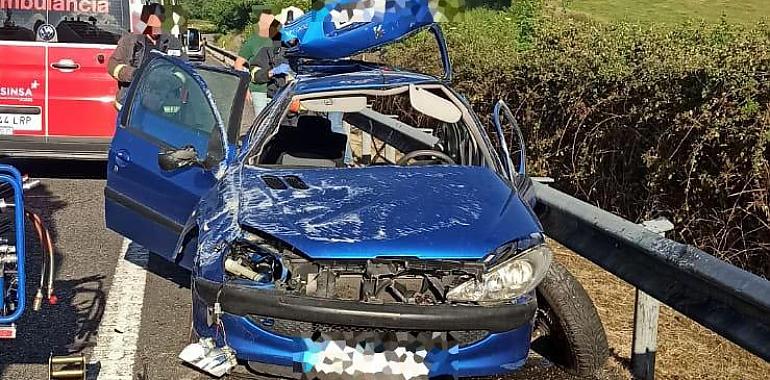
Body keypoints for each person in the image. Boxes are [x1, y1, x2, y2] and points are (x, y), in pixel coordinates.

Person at [108, 2, 186, 110]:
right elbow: (113, 65)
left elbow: (185, 70)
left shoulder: (173, 43)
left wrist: (165, 79)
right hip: (131, 103)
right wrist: (133, 74)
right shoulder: (130, 40)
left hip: (164, 105)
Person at [235, 9, 275, 116]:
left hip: (276, 89)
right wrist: (245, 89)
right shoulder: (252, 42)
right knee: (261, 122)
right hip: (258, 89)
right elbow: (238, 64)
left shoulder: (277, 41)